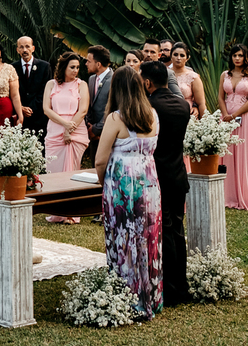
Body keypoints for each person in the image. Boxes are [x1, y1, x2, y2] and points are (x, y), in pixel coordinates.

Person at [95, 64, 162, 319]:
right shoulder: (153, 115)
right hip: (149, 182)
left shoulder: (116, 118)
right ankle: (150, 296)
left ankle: (128, 296)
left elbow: (101, 159)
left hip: (122, 185)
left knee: (124, 238)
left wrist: (105, 183)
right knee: (148, 237)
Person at [140, 60, 191, 307]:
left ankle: (171, 289)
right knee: (177, 232)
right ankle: (181, 285)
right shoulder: (183, 104)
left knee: (165, 233)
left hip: (158, 177)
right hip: (178, 174)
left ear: (147, 82)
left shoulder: (149, 107)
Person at [43, 51, 90, 223]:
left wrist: (70, 129)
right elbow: (46, 109)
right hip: (55, 128)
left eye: (77, 67)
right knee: (54, 171)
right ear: (63, 67)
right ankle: (56, 211)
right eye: (72, 67)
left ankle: (71, 213)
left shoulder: (81, 85)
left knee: (71, 171)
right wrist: (64, 125)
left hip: (76, 130)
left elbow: (83, 109)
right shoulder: (51, 84)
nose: (76, 70)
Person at [219, 44, 248, 211]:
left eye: (240, 55)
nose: (237, 58)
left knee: (244, 155)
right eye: (234, 55)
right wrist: (225, 115)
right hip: (225, 118)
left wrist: (234, 116)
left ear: (245, 57)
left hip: (245, 119)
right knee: (226, 154)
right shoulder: (225, 74)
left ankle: (245, 196)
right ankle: (228, 195)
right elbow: (220, 97)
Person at [12, 36, 51, 139]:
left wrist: (30, 109)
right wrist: (21, 109)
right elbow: (11, 92)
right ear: (17, 50)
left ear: (33, 48)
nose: (25, 50)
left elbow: (45, 92)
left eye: (27, 46)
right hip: (20, 119)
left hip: (39, 119)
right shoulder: (12, 68)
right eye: (21, 47)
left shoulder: (44, 67)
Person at [0, 39, 23, 126]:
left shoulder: (9, 69)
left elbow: (15, 95)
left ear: (1, 51)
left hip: (4, 108)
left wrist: (20, 115)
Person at [169, 43, 206, 118]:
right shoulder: (163, 73)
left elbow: (201, 103)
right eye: (175, 55)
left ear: (187, 58)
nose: (178, 58)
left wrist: (204, 124)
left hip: (187, 114)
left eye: (182, 55)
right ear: (171, 56)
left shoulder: (193, 77)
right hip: (166, 112)